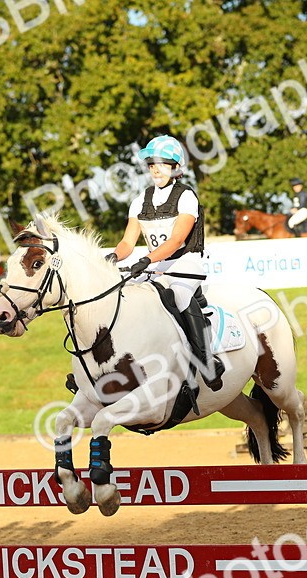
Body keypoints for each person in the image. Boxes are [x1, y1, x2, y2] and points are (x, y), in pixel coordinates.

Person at [108, 134, 224, 392]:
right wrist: (114, 256)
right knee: (122, 294)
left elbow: (176, 240)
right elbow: (128, 242)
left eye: (161, 164)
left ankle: (207, 361)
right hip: (156, 264)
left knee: (179, 297)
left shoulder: (186, 197)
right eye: (151, 165)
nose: (155, 170)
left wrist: (147, 259)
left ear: (175, 167)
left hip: (186, 262)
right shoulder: (140, 200)